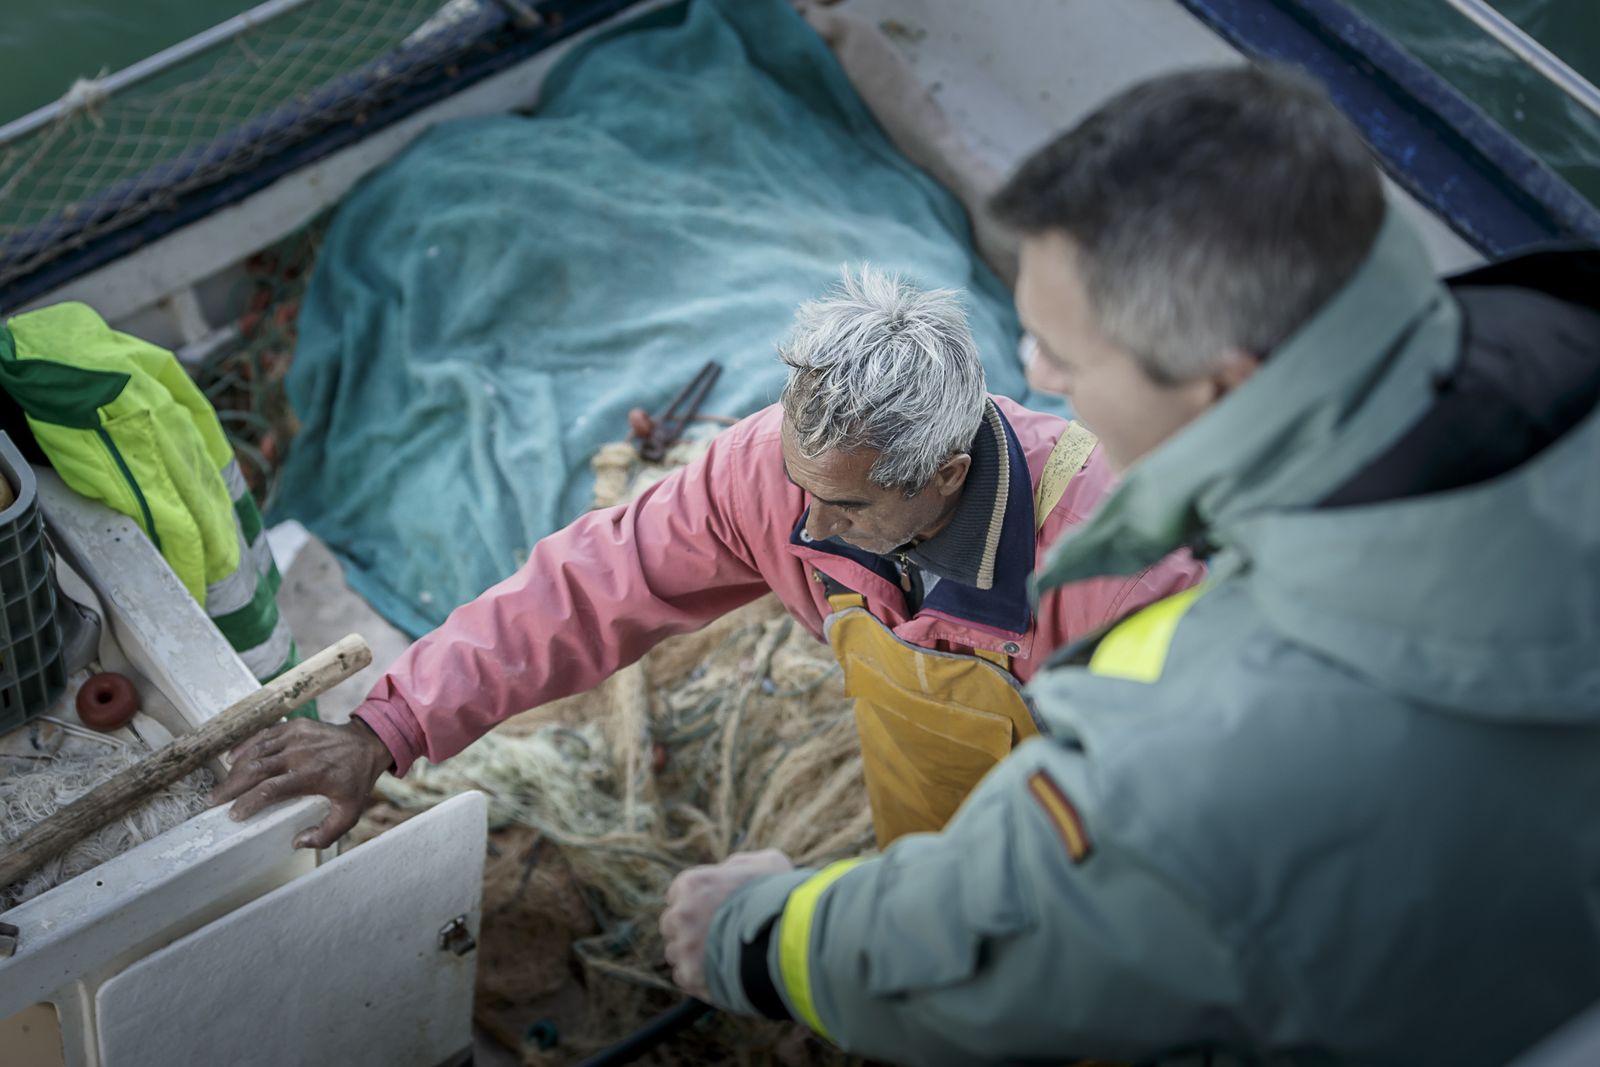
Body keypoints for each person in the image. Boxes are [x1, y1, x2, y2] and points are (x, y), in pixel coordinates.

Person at [660, 65, 1600, 1066]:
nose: (1037, 378)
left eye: (1061, 351)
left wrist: (752, 931)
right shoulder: (1557, 347)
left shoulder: (1194, 751)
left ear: (1218, 383)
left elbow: (985, 952)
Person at [210, 266, 1200, 851]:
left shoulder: (1121, 562)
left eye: (845, 505)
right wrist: (387, 727)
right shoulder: (776, 474)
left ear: (945, 473)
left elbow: (1193, 805)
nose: (802, 522)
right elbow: (587, 586)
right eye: (795, 480)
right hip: (929, 847)